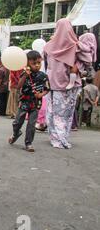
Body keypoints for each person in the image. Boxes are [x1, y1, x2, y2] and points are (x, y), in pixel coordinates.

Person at [43, 19, 84, 149]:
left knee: (52, 111)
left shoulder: (48, 46)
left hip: (52, 83)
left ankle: (55, 138)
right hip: (68, 85)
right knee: (66, 113)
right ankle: (63, 137)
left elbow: (46, 65)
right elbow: (83, 64)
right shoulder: (75, 46)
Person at [8, 51, 50, 152]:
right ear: (27, 64)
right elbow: (18, 86)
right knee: (17, 122)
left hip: (36, 103)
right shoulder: (24, 74)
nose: (37, 65)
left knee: (31, 125)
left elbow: (47, 88)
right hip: (24, 102)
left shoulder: (43, 76)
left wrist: (41, 94)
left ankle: (29, 143)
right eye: (34, 63)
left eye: (39, 63)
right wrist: (25, 76)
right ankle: (16, 133)